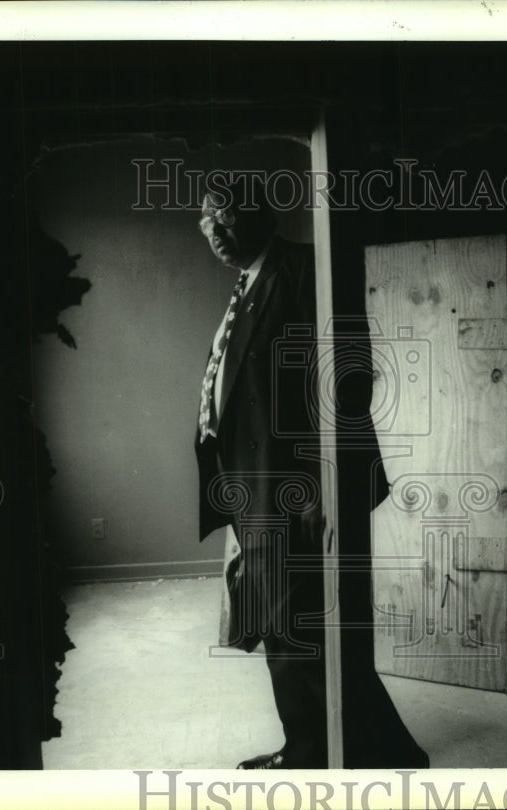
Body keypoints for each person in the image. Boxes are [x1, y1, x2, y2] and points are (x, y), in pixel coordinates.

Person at [193, 176, 428, 769]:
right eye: (205, 220)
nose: (215, 232)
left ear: (260, 216)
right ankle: (329, 747)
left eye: (225, 217)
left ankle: (334, 754)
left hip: (294, 485)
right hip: (253, 483)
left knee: (301, 630)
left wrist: (328, 482)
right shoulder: (245, 283)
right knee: (282, 625)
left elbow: (346, 376)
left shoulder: (305, 267)